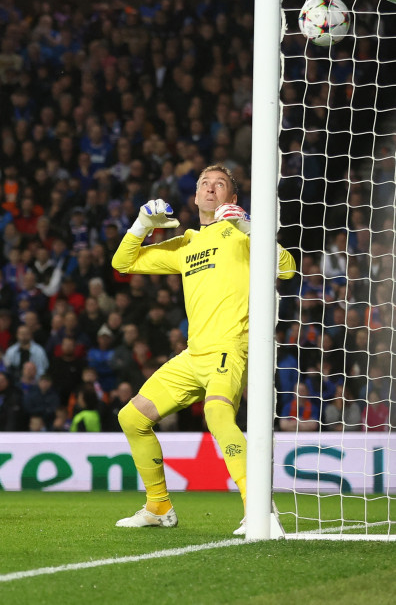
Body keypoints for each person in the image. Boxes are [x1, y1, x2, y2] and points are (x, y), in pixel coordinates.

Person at [111, 165, 295, 533]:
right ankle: (158, 506)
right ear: (195, 196)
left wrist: (249, 227)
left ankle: (259, 510)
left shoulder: (241, 234)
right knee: (131, 418)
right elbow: (123, 262)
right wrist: (142, 225)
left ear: (232, 198)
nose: (211, 189)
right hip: (194, 355)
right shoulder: (186, 243)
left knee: (218, 416)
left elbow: (287, 269)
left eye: (220, 185)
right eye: (204, 184)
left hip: (230, 347)